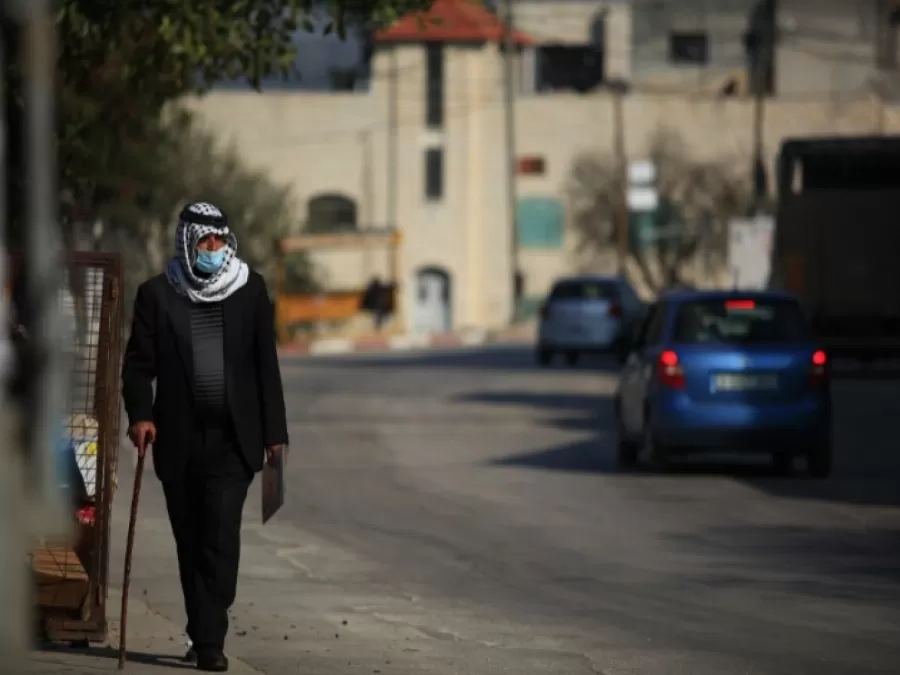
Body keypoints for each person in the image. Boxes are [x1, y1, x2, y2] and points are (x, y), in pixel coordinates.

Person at [122, 202, 288, 672]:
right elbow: (138, 367)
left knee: (220, 536)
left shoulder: (249, 290)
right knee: (190, 540)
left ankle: (210, 640)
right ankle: (203, 630)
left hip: (233, 442)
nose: (213, 248)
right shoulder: (157, 295)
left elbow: (266, 365)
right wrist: (140, 415)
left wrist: (275, 434)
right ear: (187, 243)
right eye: (204, 241)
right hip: (179, 440)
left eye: (219, 240)